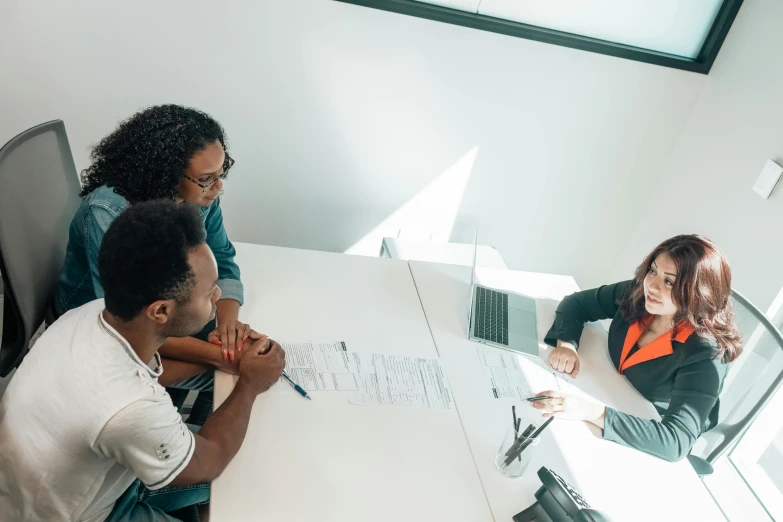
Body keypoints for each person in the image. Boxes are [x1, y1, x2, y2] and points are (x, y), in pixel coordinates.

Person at [0, 201, 285, 521]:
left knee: (236, 473)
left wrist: (221, 359)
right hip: (77, 512)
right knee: (239, 480)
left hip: (52, 477)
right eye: (208, 294)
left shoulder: (91, 313)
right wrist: (250, 383)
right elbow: (212, 459)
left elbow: (150, 372)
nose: (218, 296)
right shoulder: (130, 407)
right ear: (161, 311)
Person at [53, 104, 249, 423]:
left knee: (234, 364)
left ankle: (194, 424)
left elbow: (223, 260)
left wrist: (227, 327)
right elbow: (130, 323)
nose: (218, 187)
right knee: (229, 374)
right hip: (103, 321)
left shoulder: (201, 197)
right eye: (206, 179)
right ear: (166, 173)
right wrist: (220, 355)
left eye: (221, 173)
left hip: (164, 309)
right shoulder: (110, 212)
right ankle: (185, 444)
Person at [533, 235, 743, 462]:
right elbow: (578, 303)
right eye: (653, 271)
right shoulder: (639, 295)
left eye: (669, 282)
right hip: (604, 387)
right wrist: (567, 345)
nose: (652, 286)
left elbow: (675, 442)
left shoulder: (707, 354)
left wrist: (589, 411)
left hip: (642, 428)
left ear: (697, 294)